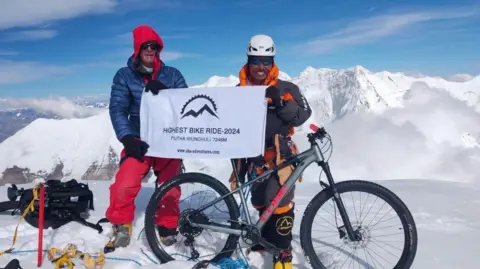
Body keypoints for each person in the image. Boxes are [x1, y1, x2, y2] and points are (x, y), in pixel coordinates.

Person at [228, 34, 312, 269]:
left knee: (279, 200)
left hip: (280, 157)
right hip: (252, 158)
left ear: (273, 61)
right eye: (256, 61)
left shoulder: (286, 88)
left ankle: (282, 250)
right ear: (248, 60)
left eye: (267, 61)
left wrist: (281, 103)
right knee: (260, 202)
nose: (261, 66)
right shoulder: (238, 90)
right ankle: (266, 239)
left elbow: (303, 115)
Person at [105, 25, 188, 252]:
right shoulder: (124, 75)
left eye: (154, 46)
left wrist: (165, 94)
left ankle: (167, 225)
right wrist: (128, 138)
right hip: (138, 140)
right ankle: (121, 224)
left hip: (168, 141)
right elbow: (117, 108)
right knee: (124, 184)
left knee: (171, 188)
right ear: (138, 48)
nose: (150, 50)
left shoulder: (172, 75)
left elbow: (186, 104)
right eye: (146, 46)